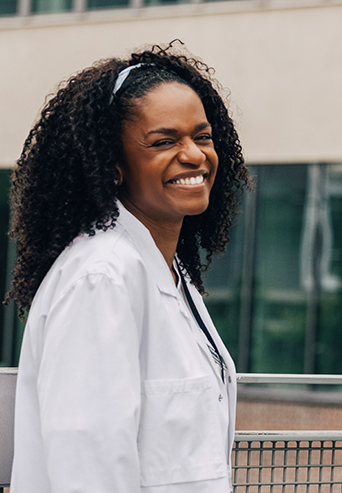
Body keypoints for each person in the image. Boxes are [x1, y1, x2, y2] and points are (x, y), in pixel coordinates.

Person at [5, 43, 250, 492]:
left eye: (202, 136)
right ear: (113, 166)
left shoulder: (166, 271)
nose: (194, 155)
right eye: (164, 141)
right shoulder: (103, 277)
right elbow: (86, 463)